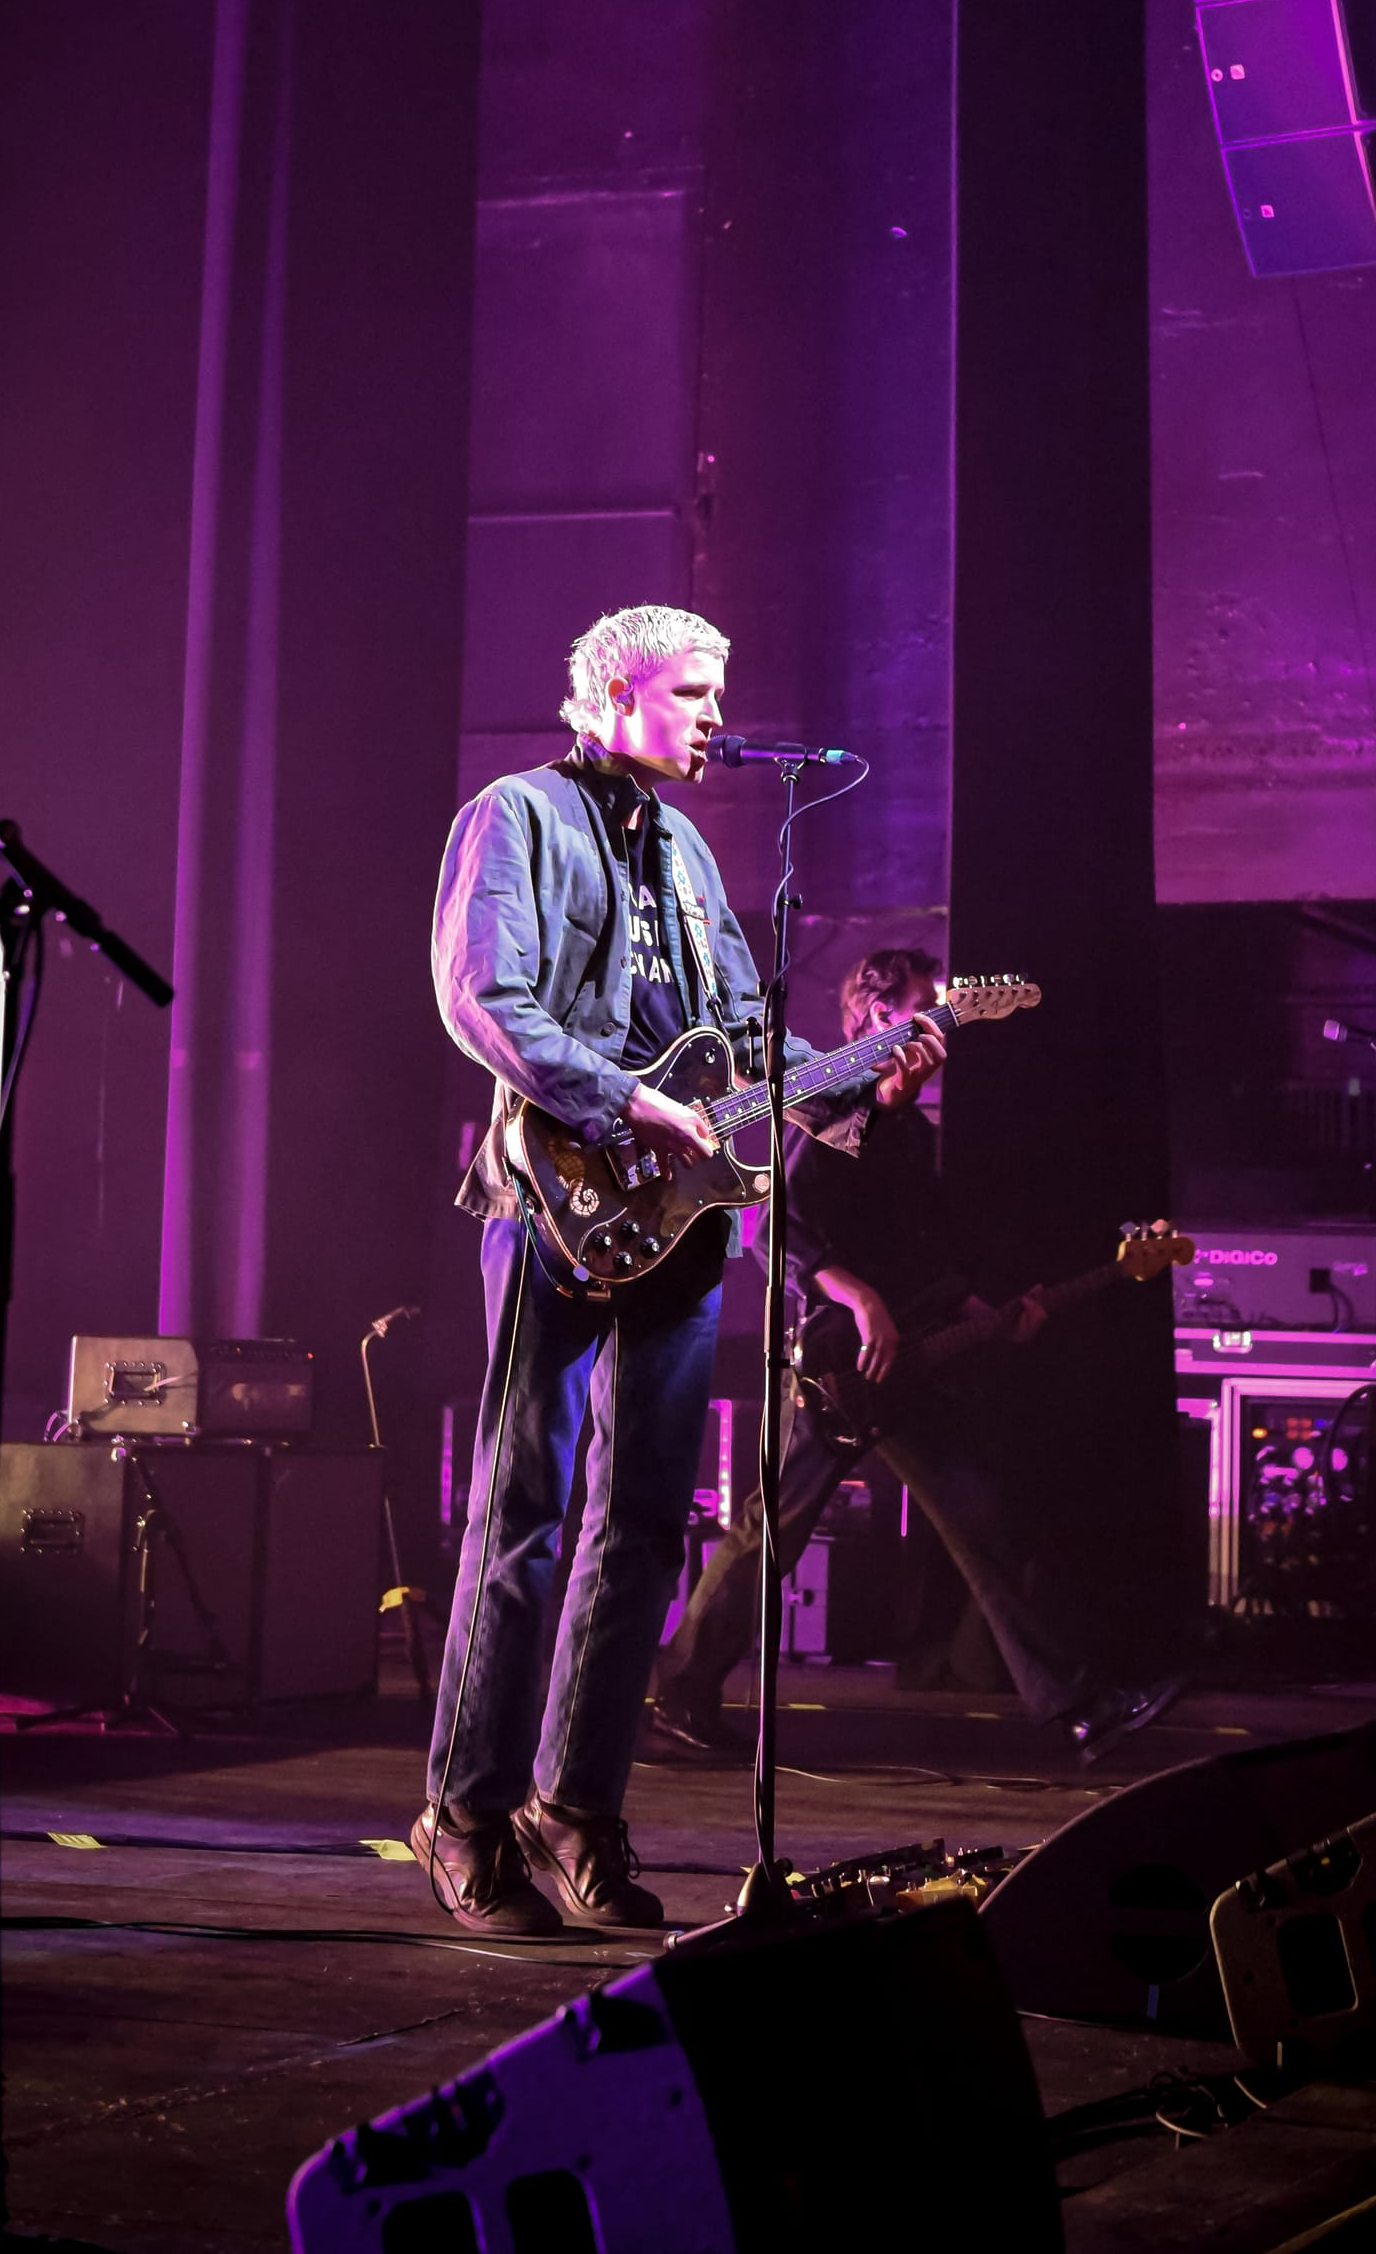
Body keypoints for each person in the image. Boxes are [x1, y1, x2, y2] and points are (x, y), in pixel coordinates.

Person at [412, 605, 939, 1935]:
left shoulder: (693, 852)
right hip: (554, 1200)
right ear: (609, 697)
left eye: (717, 691)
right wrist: (626, 1102)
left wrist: (861, 1081)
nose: (713, 714)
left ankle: (575, 1808)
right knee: (523, 1512)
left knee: (645, 1522)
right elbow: (482, 996)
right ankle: (464, 1812)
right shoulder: (516, 817)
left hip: (686, 1220)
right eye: (690, 692)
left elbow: (744, 1050)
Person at [651, 946, 1184, 1764]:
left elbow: (923, 1256)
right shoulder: (830, 1114)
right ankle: (681, 1694)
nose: (939, 1020)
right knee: (770, 1532)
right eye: (922, 1003)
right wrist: (862, 1301)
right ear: (877, 1017)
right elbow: (775, 1234)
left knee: (984, 1520)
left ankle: (1080, 1708)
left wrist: (984, 1313)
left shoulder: (910, 1131)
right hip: (840, 1364)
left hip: (911, 1366)